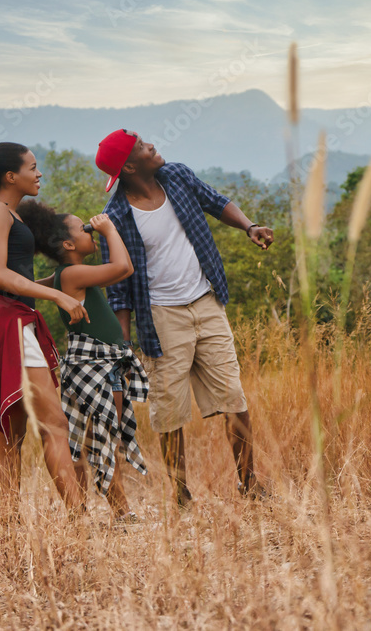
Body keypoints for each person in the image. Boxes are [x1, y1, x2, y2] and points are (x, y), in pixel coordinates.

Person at [95, 129, 274, 507]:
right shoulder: (116, 217)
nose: (151, 146)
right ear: (130, 167)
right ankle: (180, 495)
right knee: (169, 411)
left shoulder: (177, 175)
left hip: (207, 302)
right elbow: (118, 289)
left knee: (234, 397)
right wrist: (122, 347)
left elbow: (216, 202)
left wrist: (249, 226)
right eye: (142, 147)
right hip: (160, 318)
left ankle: (249, 484)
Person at [0, 142, 89, 518]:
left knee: (12, 437)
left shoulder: (10, 213)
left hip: (13, 318)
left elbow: (17, 277)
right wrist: (55, 295)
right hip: (6, 323)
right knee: (53, 425)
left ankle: (10, 528)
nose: (39, 173)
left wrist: (57, 282)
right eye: (32, 167)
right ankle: (80, 522)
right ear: (11, 176)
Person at [17, 199, 148, 524]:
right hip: (97, 367)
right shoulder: (73, 274)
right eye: (85, 229)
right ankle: (121, 512)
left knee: (86, 440)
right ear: (69, 244)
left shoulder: (64, 275)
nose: (92, 232)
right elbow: (124, 268)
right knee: (102, 441)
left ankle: (84, 510)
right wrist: (109, 229)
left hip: (92, 366)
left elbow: (34, 287)